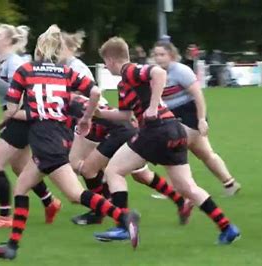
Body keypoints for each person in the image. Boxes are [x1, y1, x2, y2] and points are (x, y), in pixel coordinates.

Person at [0, 25, 140, 260]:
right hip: (61, 134)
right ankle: (12, 247)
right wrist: (87, 117)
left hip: (44, 138)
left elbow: (11, 109)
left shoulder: (25, 71)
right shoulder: (66, 72)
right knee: (21, 187)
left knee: (74, 194)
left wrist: (28, 110)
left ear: (38, 47)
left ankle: (124, 217)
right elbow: (96, 92)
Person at [93, 37, 240, 245]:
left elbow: (159, 73)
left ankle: (123, 226)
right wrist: (98, 114)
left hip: (156, 131)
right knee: (188, 187)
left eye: (105, 63)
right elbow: (125, 115)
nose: (106, 68)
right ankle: (227, 227)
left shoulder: (129, 71)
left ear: (111, 60)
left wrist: (153, 106)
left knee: (113, 171)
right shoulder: (124, 84)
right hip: (174, 130)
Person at [60, 32, 193, 226]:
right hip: (111, 123)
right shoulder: (62, 68)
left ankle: (105, 212)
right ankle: (179, 201)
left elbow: (93, 94)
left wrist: (91, 115)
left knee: (90, 169)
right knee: (138, 174)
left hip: (108, 126)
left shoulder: (73, 68)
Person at [0, 24, 61, 228]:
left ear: (8, 41)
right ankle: (50, 202)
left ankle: (3, 215)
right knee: (20, 167)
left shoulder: (15, 62)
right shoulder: (3, 62)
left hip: (22, 118)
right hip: (20, 117)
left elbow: (18, 91)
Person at [153, 41, 241, 196]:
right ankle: (230, 183)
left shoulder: (181, 71)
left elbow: (198, 94)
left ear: (171, 55)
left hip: (190, 114)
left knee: (170, 147)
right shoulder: (156, 73)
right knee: (205, 153)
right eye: (156, 55)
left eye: (162, 54)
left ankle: (174, 189)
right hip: (173, 116)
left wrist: (201, 119)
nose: (158, 58)